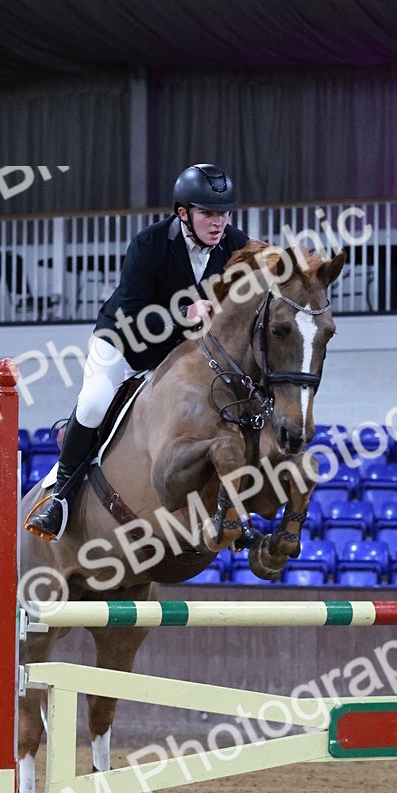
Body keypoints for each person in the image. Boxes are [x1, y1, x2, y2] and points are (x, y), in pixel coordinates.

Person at [25, 162, 248, 539]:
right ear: (183, 213)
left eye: (224, 213)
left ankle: (229, 511)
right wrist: (183, 313)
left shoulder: (234, 245)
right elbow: (132, 314)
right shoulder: (150, 244)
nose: (218, 222)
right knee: (95, 402)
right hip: (123, 344)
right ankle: (60, 497)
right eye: (208, 213)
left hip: (173, 356)